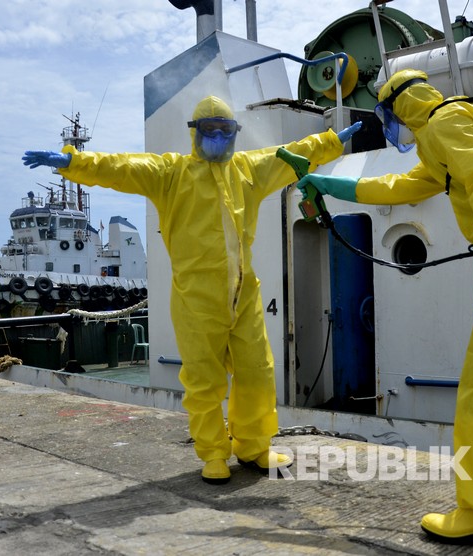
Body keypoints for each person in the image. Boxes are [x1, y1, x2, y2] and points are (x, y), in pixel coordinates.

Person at [296, 69, 473, 547]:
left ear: (400, 105)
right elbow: (398, 187)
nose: (390, 128)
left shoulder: (443, 122)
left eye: (386, 116)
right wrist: (328, 184)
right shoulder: (449, 133)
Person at [23, 95, 362, 484]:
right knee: (204, 381)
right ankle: (214, 453)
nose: (219, 138)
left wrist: (332, 141)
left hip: (243, 294)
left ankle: (253, 445)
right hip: (196, 298)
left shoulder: (249, 169)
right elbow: (122, 167)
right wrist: (75, 162)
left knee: (258, 372)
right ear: (194, 134)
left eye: (226, 130)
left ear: (236, 133)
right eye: (210, 130)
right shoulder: (170, 173)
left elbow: (292, 154)